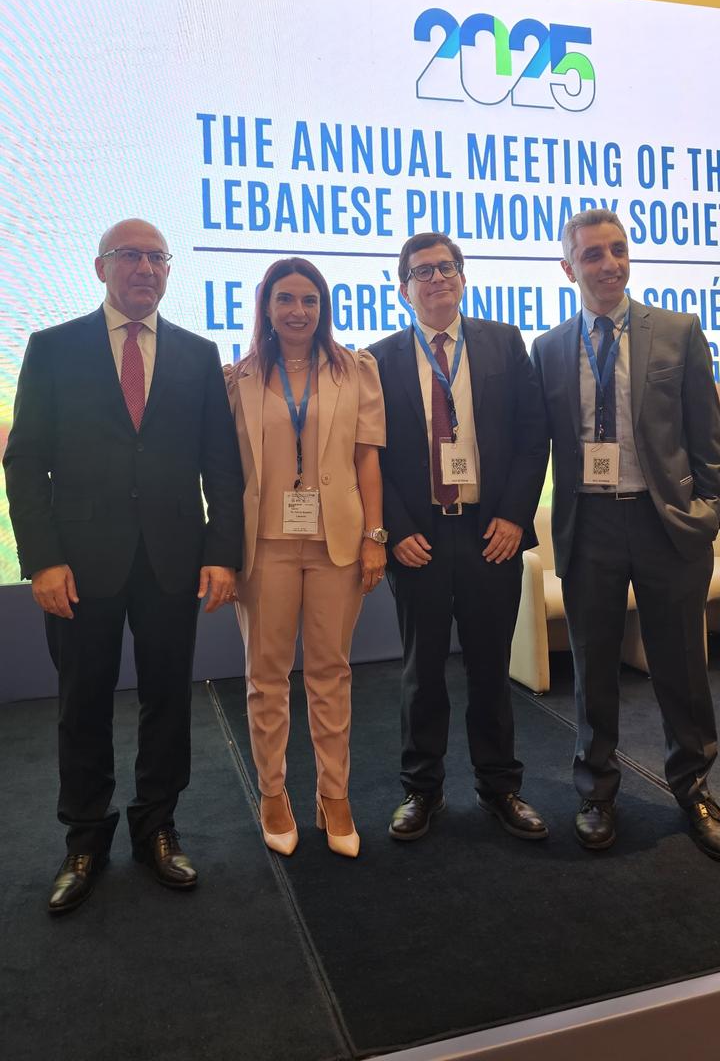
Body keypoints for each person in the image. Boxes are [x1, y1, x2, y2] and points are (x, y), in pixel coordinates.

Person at [3, 219, 245, 912]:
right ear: (100, 267)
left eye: (157, 258)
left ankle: (157, 827)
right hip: (79, 564)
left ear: (168, 271)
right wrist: (43, 560)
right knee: (82, 701)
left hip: (173, 559)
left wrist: (222, 554)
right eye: (130, 256)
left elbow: (222, 466)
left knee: (168, 699)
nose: (145, 268)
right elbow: (25, 462)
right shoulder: (53, 348)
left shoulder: (198, 354)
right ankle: (84, 838)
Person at [531, 208, 720, 857]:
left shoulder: (677, 331)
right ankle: (596, 792)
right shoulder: (550, 349)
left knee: (683, 667)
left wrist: (707, 513)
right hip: (590, 526)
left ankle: (694, 787)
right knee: (593, 668)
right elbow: (536, 444)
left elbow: (708, 438)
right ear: (568, 269)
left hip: (667, 524)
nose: (610, 264)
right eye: (593, 254)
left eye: (618, 250)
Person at [370, 232, 549, 841]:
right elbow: (368, 455)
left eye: (446, 267)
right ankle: (421, 790)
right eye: (422, 271)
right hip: (417, 539)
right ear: (404, 290)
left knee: (490, 669)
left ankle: (500, 787)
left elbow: (532, 437)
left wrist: (515, 517)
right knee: (422, 673)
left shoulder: (503, 341)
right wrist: (395, 529)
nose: (437, 278)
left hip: (490, 532)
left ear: (463, 278)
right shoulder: (379, 359)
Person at [225, 257, 386, 858]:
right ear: (266, 307)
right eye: (286, 299)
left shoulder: (356, 369)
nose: (298, 311)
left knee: (330, 674)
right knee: (266, 677)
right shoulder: (236, 378)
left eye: (310, 300)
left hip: (335, 544)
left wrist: (375, 537)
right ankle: (273, 794)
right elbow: (224, 472)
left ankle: (333, 796)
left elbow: (367, 458)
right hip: (263, 546)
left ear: (324, 308)